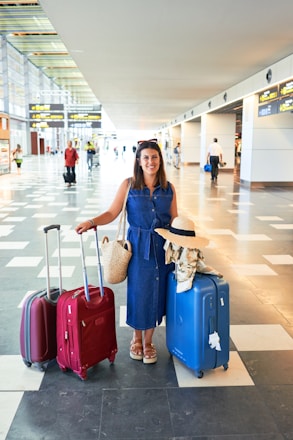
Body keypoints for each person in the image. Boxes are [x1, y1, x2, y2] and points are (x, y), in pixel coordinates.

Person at [75, 139, 178, 364]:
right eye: (146, 158)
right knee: (139, 292)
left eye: (154, 157)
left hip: (162, 247)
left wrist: (188, 238)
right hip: (138, 246)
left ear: (160, 160)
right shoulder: (129, 185)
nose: (151, 162)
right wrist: (92, 221)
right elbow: (112, 212)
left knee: (158, 292)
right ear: (139, 162)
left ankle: (149, 341)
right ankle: (136, 339)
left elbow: (175, 219)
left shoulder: (169, 189)